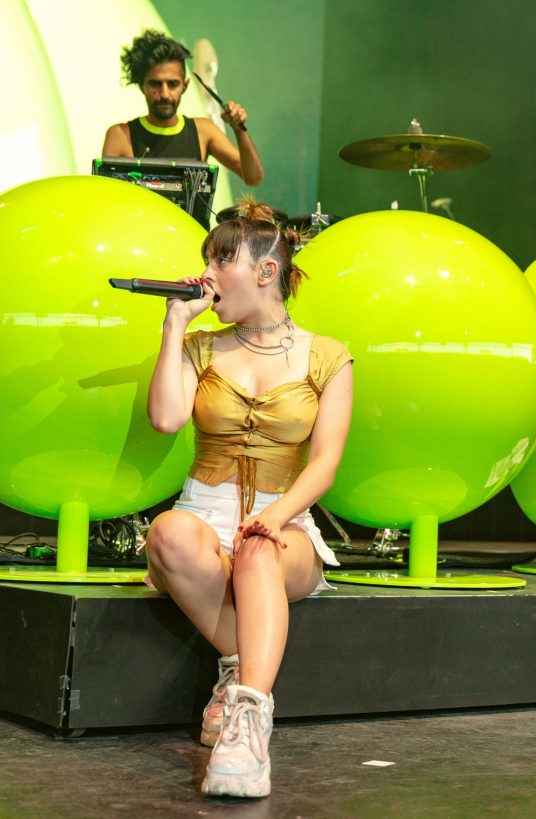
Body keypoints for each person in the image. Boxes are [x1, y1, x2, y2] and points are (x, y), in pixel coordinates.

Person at [145, 199, 353, 798]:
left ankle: (247, 724)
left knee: (259, 549)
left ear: (266, 271)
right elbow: (165, 419)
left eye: (220, 261)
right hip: (203, 515)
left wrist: (275, 517)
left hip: (286, 523)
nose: (206, 275)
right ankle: (243, 666)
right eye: (206, 261)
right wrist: (174, 326)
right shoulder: (202, 346)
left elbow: (325, 463)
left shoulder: (329, 356)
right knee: (167, 533)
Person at [102, 30, 264, 187]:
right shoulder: (120, 135)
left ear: (185, 86)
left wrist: (239, 130)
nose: (165, 94)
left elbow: (253, 178)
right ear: (141, 85)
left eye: (173, 84)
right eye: (155, 84)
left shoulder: (204, 131)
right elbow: (106, 197)